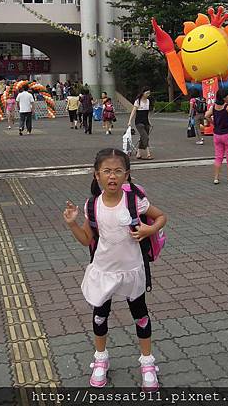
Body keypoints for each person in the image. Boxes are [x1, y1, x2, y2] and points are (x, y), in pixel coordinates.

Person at [63, 148, 167, 389]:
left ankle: (147, 363)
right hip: (104, 270)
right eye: (107, 171)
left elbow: (161, 216)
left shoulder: (135, 201)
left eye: (118, 171)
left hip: (132, 270)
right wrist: (72, 224)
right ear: (96, 175)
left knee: (140, 315)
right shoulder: (92, 206)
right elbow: (86, 238)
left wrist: (149, 230)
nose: (112, 176)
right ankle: (101, 359)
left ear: (127, 175)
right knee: (100, 315)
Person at [205, 88, 228, 185]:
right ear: (225, 97)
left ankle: (216, 178)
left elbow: (207, 115)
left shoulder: (214, 106)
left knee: (218, 157)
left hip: (217, 134)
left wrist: (214, 123)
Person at [128, 87, 153, 160]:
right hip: (139, 122)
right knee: (146, 137)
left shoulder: (148, 101)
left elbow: (147, 113)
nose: (148, 94)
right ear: (143, 93)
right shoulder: (137, 101)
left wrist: (149, 121)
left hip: (146, 122)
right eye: (147, 93)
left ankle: (138, 153)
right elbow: (133, 111)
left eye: (149, 93)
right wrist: (129, 121)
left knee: (143, 137)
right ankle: (148, 154)